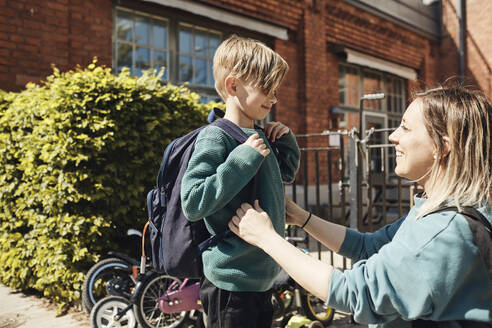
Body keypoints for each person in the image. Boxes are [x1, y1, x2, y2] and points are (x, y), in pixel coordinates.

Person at [229, 86, 492, 327]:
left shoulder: (444, 231)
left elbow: (355, 292)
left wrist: (267, 238)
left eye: (406, 128)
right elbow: (369, 247)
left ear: (442, 147)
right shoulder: (443, 209)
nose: (392, 136)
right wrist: (302, 218)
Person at [180, 35, 300, 328]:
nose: (274, 98)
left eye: (276, 90)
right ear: (233, 86)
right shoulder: (216, 136)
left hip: (261, 278)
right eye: (267, 89)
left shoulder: (257, 136)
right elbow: (193, 202)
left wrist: (286, 143)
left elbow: (285, 174)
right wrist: (240, 161)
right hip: (230, 284)